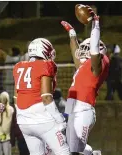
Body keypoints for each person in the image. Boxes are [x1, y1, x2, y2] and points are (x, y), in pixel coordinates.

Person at [60, 6, 109, 155]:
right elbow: (76, 54)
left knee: (74, 151)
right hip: (73, 106)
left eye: (85, 48)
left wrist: (95, 25)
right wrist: (72, 34)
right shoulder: (84, 66)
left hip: (84, 109)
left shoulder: (98, 63)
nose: (82, 52)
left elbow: (94, 50)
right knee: (67, 149)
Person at [13, 38, 70, 155]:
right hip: (42, 119)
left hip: (23, 121)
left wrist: (22, 114)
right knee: (64, 152)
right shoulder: (45, 65)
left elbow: (16, 96)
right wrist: (59, 119)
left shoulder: (19, 66)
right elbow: (46, 97)